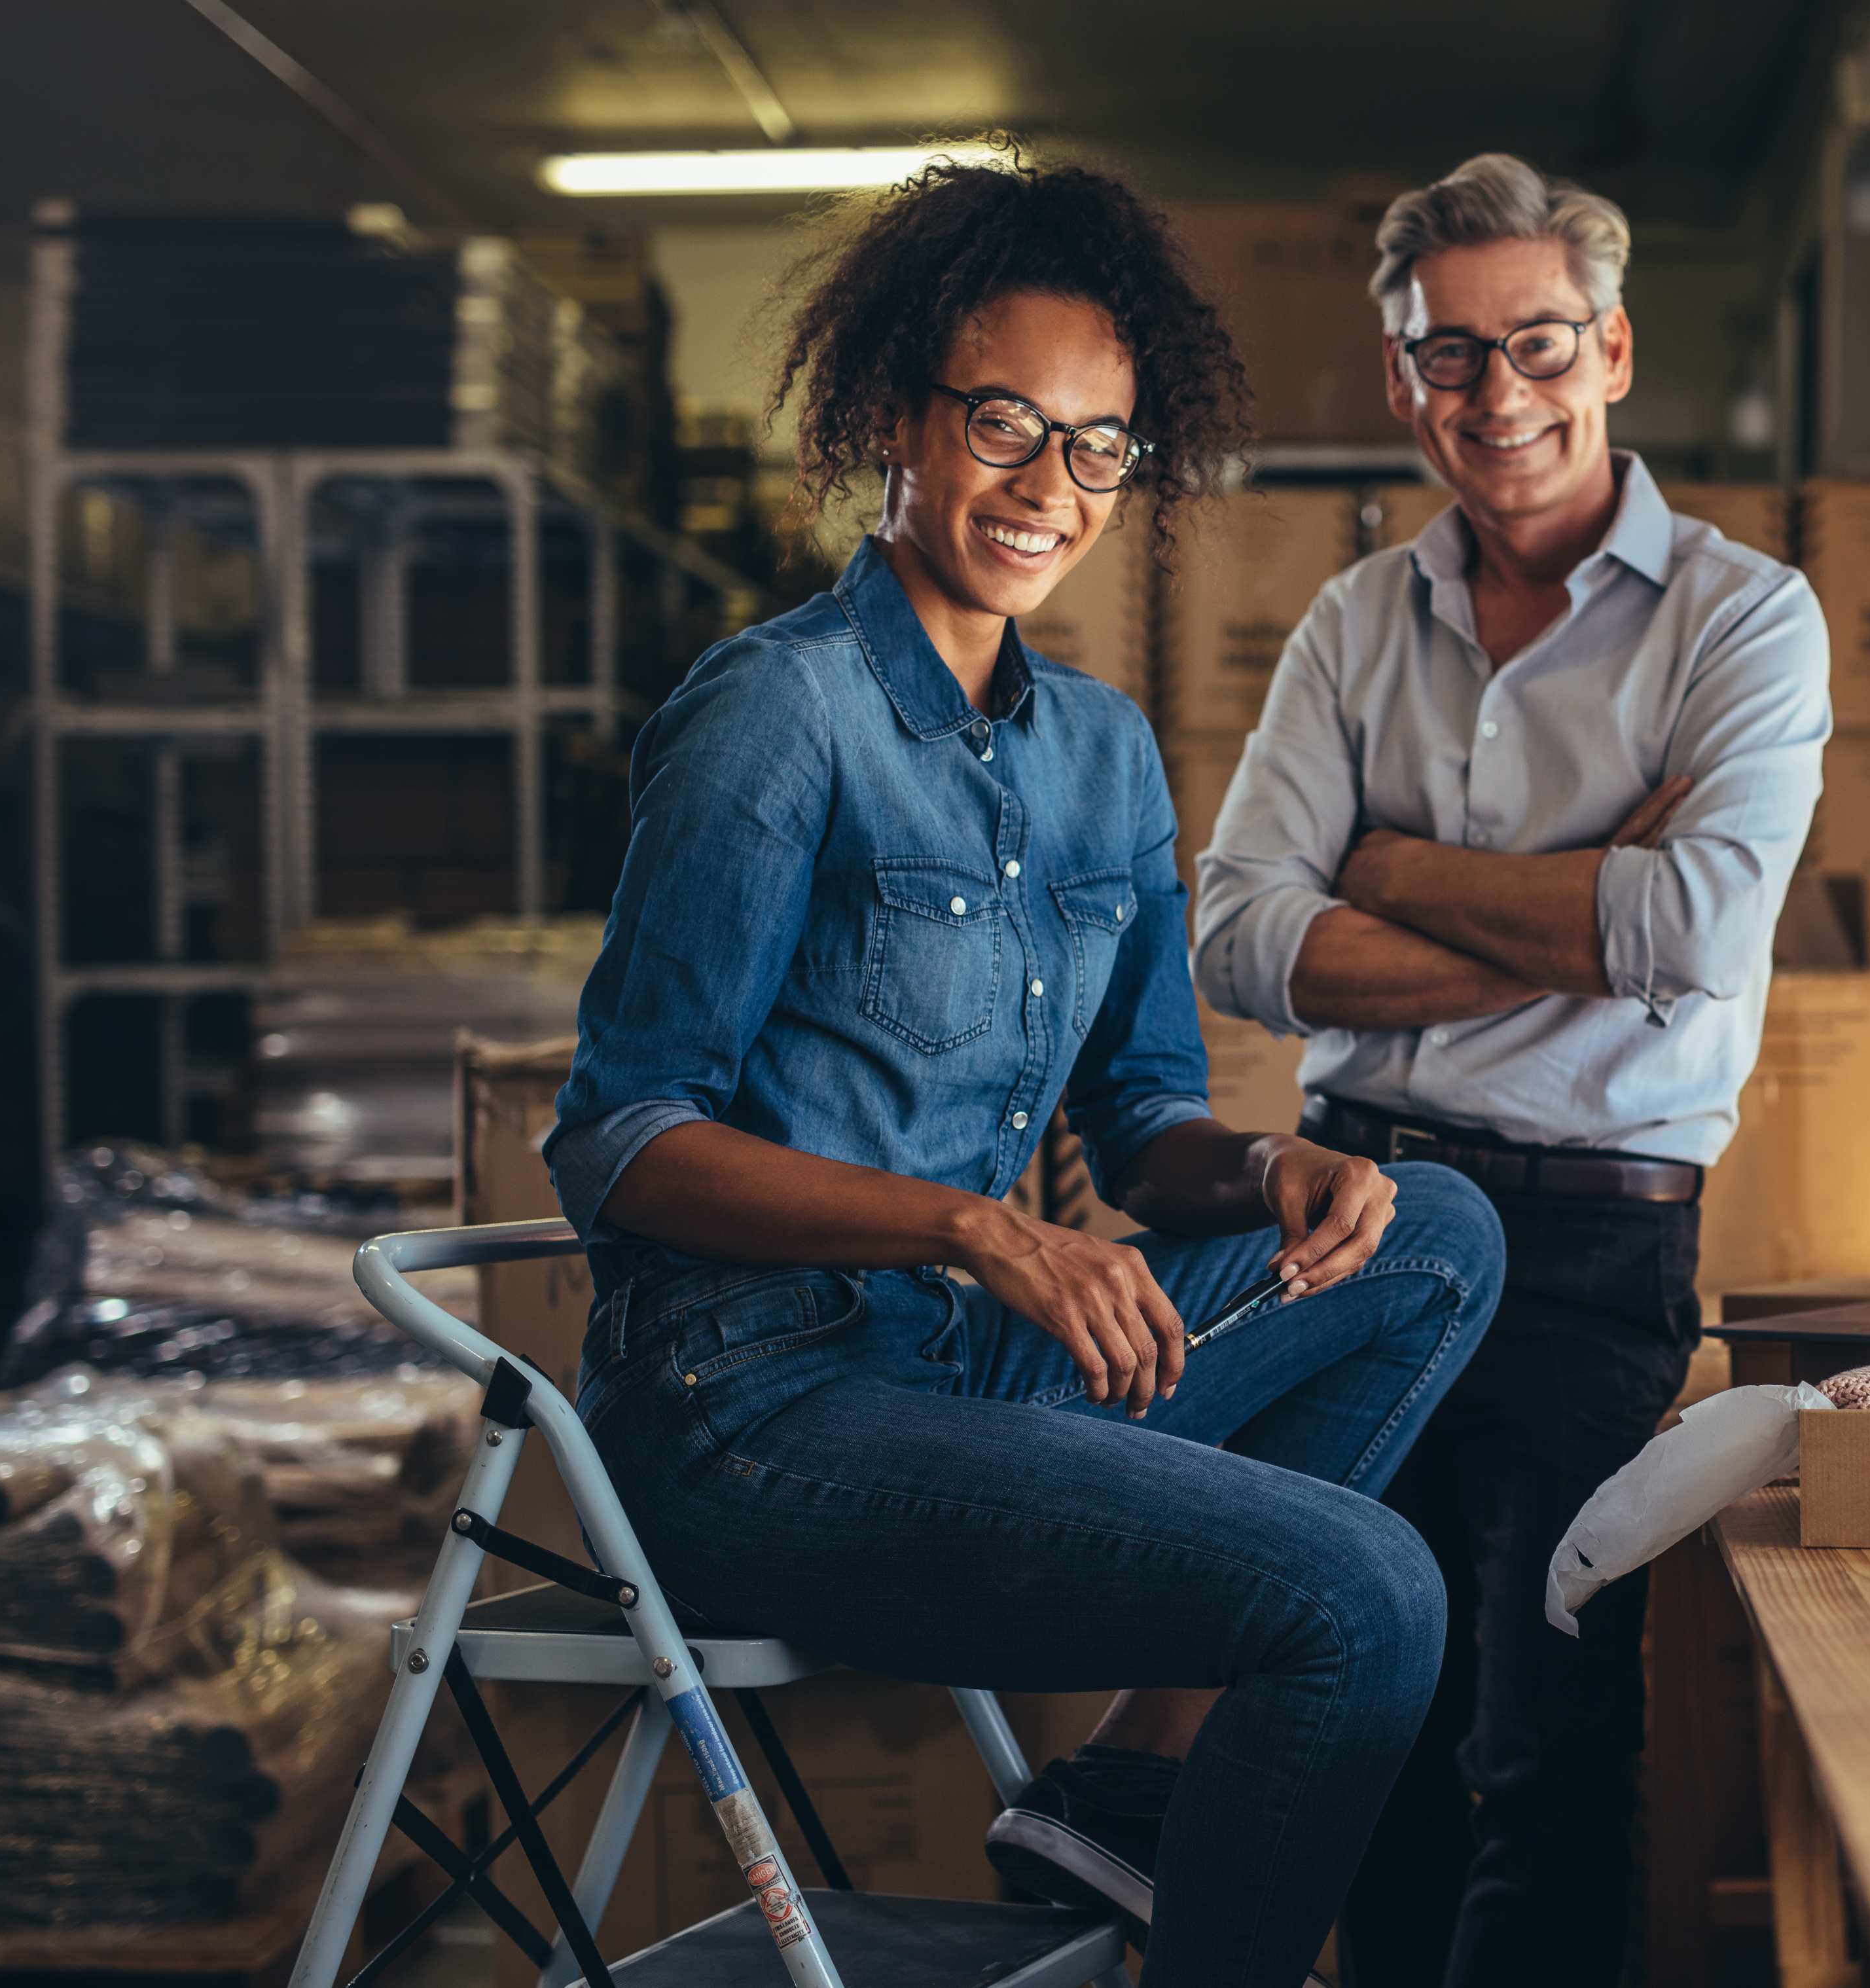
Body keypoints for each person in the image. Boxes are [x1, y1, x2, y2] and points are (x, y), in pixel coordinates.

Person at [543, 151, 1503, 1988]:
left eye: (1097, 447)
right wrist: (978, 1231)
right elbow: (625, 1140)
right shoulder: (779, 712)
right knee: (1364, 1596)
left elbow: (1140, 1135)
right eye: (1004, 424)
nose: (1046, 488)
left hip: (976, 1385)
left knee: (1436, 1229)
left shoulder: (1104, 756)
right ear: (896, 409)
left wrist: (1273, 1174)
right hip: (754, 1418)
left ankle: (1132, 1792)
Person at [1191, 153, 1832, 1985]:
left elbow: (1697, 933)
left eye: (1536, 343)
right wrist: (1566, 905)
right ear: (1402, 381)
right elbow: (1237, 934)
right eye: (1447, 357)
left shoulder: (1742, 619)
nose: (1498, 397)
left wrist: (1381, 880)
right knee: (1361, 1719)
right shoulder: (1349, 626)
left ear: (1612, 347)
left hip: (1585, 1244)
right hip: (1357, 1218)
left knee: (1544, 1746)